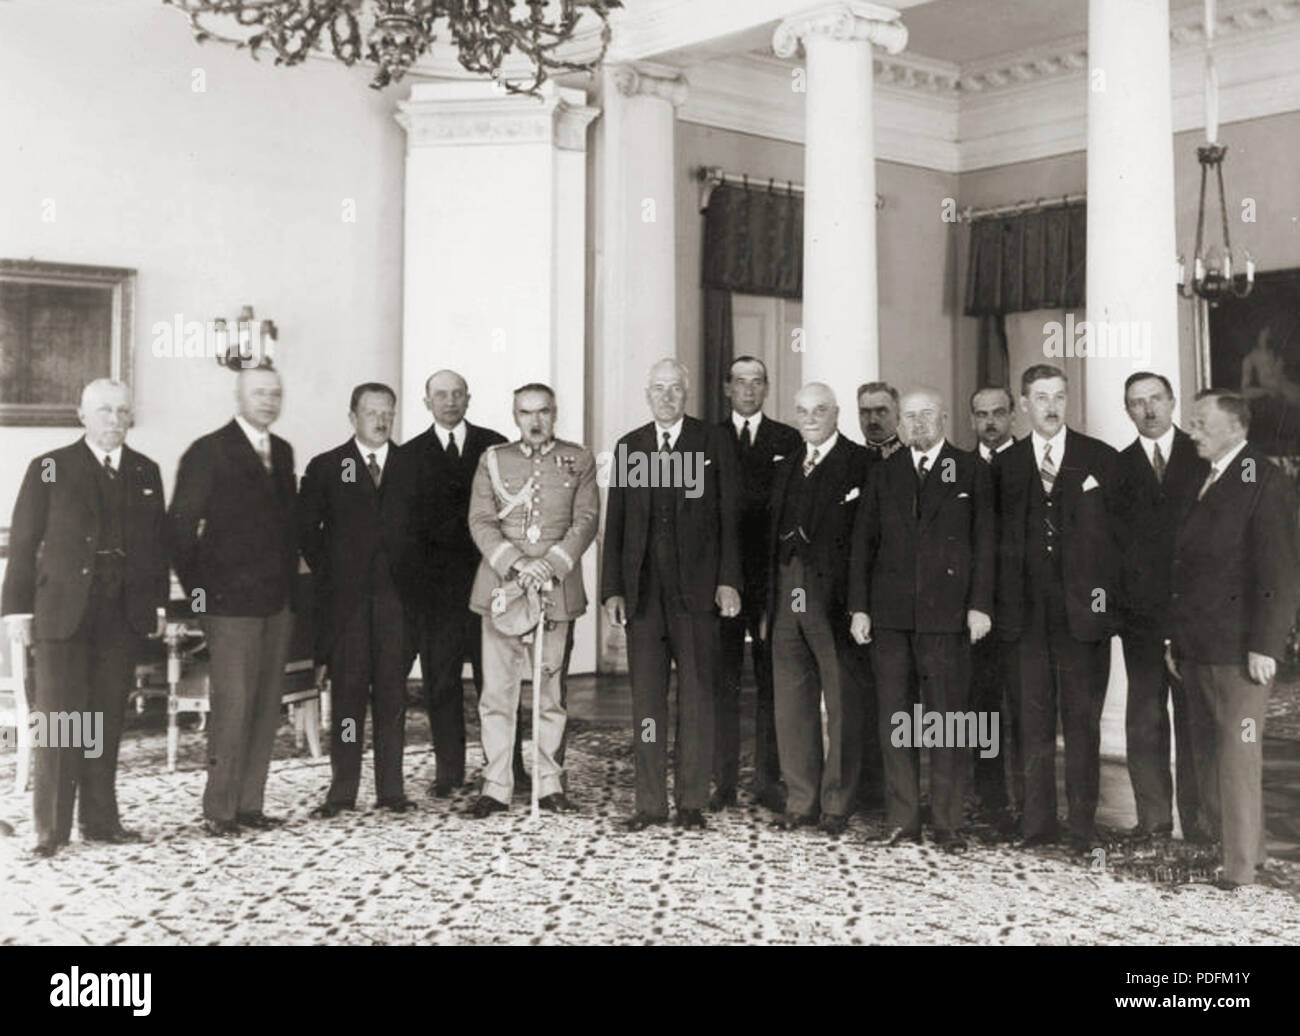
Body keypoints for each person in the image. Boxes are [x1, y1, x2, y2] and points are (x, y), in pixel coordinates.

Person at [2, 380, 168, 857]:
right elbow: (24, 542)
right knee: (60, 722)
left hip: (121, 615)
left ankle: (100, 820)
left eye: (122, 411)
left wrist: (156, 605)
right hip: (62, 614)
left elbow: (155, 548)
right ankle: (50, 830)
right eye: (104, 411)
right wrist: (17, 609)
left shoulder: (146, 471)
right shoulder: (50, 467)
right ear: (82, 415)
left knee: (104, 720)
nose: (114, 419)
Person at [850, 388, 994, 851]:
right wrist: (859, 608)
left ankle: (948, 822)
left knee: (947, 723)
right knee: (897, 721)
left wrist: (980, 606)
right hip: (891, 619)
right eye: (909, 417)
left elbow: (987, 545)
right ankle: (904, 818)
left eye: (926, 415)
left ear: (944, 419)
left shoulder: (971, 469)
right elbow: (863, 546)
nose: (917, 424)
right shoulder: (884, 472)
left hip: (948, 619)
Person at [601, 358, 741, 831]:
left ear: (687, 394)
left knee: (698, 698)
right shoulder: (631, 447)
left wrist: (728, 580)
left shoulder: (712, 442)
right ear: (647, 394)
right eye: (658, 388)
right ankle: (649, 804)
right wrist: (612, 590)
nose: (666, 396)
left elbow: (729, 519)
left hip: (697, 595)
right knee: (647, 702)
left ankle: (691, 802)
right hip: (644, 597)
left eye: (675, 388)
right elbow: (615, 523)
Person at [1171, 390, 1300, 888]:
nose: (1191, 431)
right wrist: (1175, 642)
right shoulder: (1205, 479)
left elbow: (1281, 572)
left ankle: (1239, 868)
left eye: (1202, 423)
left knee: (1236, 754)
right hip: (1199, 645)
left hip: (1239, 650)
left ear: (1234, 428)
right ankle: (1245, 849)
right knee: (1210, 752)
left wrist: (1266, 644)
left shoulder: (1260, 479)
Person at [992, 364, 1120, 853]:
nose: (1051, 405)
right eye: (1041, 397)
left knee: (1082, 724)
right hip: (1024, 618)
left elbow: (1118, 546)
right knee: (1030, 721)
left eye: (1059, 396)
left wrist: (1105, 607)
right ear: (1023, 404)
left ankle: (1083, 829)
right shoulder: (1003, 467)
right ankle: (1037, 824)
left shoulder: (1100, 460)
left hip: (1084, 618)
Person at [168, 366, 298, 837]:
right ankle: (219, 810)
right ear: (238, 396)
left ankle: (250, 805)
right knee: (233, 707)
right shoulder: (208, 451)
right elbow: (180, 532)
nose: (268, 400)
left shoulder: (282, 452)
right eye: (259, 392)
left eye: (275, 393)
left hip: (275, 603)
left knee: (266, 707)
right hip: (228, 606)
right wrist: (203, 600)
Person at [464, 384, 599, 818]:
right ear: (515, 414)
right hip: (503, 589)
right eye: (526, 413)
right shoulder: (493, 460)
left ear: (554, 413)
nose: (535, 421)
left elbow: (586, 520)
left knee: (550, 693)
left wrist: (550, 566)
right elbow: (481, 520)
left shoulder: (579, 459)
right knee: (496, 694)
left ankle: (549, 783)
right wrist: (520, 565)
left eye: (543, 412)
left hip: (555, 591)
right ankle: (496, 786)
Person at [298, 383, 422, 818]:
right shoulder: (329, 467)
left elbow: (428, 531)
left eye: (388, 412)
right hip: (347, 608)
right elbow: (305, 531)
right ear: (353, 416)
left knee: (392, 698)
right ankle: (342, 791)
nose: (381, 420)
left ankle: (392, 790)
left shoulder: (413, 465)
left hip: (398, 605)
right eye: (371, 412)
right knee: (349, 699)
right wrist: (335, 574)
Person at [766, 383, 871, 835]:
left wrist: (860, 605)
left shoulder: (861, 464)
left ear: (836, 413)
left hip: (835, 596)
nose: (810, 419)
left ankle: (837, 804)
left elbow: (869, 541)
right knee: (792, 699)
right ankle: (801, 800)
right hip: (788, 588)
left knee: (842, 699)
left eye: (820, 411)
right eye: (803, 411)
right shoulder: (788, 463)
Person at [405, 370, 510, 798]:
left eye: (457, 394)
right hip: (438, 595)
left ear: (469, 398)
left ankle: (505, 768)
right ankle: (449, 771)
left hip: (491, 585)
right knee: (442, 683)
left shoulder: (495, 445)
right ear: (426, 402)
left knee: (497, 682)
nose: (450, 401)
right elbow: (406, 531)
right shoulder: (410, 456)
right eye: (440, 395)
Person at [1115, 372, 1207, 842]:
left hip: (1193, 617)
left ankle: (1199, 824)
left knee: (1193, 722)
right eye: (1136, 403)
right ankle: (1153, 820)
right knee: (1146, 719)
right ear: (1127, 410)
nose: (1148, 409)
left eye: (1155, 399)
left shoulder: (1203, 455)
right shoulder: (1120, 466)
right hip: (1142, 620)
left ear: (1173, 402)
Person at [712, 355, 801, 813]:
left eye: (757, 382)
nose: (748, 390)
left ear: (767, 388)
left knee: (772, 682)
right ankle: (721, 779)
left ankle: (770, 779)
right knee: (720, 680)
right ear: (727, 387)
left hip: (769, 579)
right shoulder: (709, 438)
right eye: (740, 382)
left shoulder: (787, 439)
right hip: (720, 580)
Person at [967, 386, 1020, 832]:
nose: (990, 422)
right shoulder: (960, 468)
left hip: (1021, 609)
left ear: (1013, 416)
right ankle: (990, 797)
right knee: (981, 707)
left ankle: (1029, 801)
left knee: (1024, 707)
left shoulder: (1031, 464)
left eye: (998, 413)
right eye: (982, 414)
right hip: (975, 612)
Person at [857, 381, 904, 461]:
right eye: (865, 412)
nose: (872, 420)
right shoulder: (847, 464)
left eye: (881, 412)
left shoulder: (915, 462)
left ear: (898, 415)